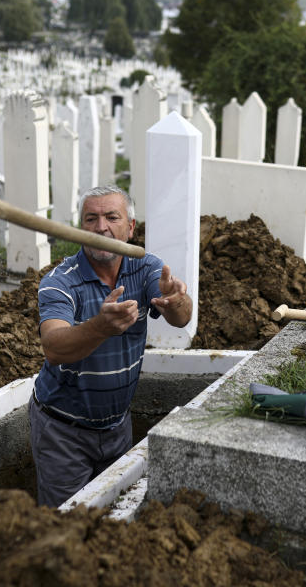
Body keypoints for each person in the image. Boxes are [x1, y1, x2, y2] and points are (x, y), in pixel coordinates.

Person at [29, 185, 192, 507]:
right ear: (81, 230)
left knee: (114, 511)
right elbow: (54, 347)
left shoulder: (146, 268)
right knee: (67, 520)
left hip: (117, 425)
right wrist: (99, 327)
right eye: (91, 219)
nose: (101, 227)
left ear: (130, 228)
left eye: (111, 217)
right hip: (63, 430)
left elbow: (181, 319)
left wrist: (176, 300)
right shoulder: (60, 281)